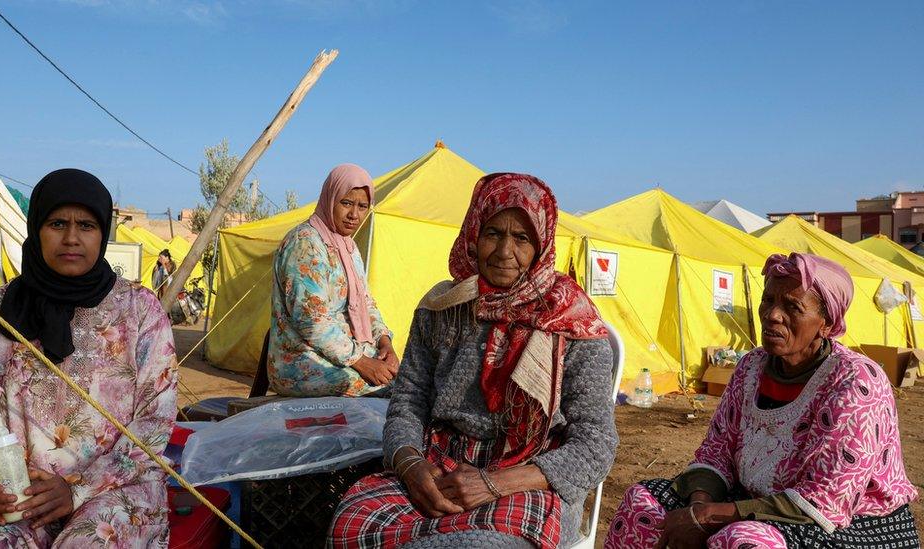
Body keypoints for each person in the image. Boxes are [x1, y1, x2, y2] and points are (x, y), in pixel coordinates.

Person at [328, 173, 619, 548]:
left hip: (530, 478)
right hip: (439, 466)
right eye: (493, 233)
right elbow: (408, 401)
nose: (503, 252)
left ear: (542, 245)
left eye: (522, 238)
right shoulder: (441, 310)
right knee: (348, 525)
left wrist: (494, 483)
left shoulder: (570, 322)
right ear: (473, 234)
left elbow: (596, 445)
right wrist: (410, 464)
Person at [605, 253, 920, 549]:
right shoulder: (751, 367)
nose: (772, 315)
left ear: (826, 322)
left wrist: (711, 516)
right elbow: (717, 449)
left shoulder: (854, 380)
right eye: (768, 301)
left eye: (792, 308)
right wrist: (699, 507)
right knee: (641, 505)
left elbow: (827, 499)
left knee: (742, 541)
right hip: (751, 500)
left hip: (846, 523)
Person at [0, 169, 178, 548]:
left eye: (86, 225)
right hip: (21, 495)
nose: (72, 237)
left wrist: (78, 488)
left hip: (117, 489)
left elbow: (155, 423)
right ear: (36, 228)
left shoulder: (141, 311)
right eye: (57, 223)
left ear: (103, 234)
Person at [268, 163, 398, 397]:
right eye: (346, 203)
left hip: (346, 354)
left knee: (405, 381)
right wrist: (363, 362)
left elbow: (366, 303)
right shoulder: (305, 243)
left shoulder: (348, 247)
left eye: (362, 206)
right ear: (330, 199)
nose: (354, 215)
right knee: (377, 389)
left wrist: (384, 343)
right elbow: (312, 321)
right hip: (302, 360)